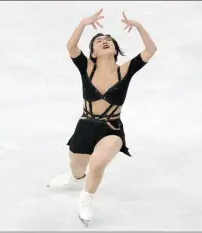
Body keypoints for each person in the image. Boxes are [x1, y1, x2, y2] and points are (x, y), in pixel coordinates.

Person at [48, 9, 157, 226]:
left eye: (109, 40)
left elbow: (151, 49)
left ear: (115, 49)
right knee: (77, 167)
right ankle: (76, 178)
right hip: (85, 126)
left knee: (97, 164)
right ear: (94, 53)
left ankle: (86, 197)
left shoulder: (124, 71)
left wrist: (138, 26)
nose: (105, 41)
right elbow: (71, 47)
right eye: (99, 40)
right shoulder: (87, 68)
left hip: (112, 130)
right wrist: (83, 23)